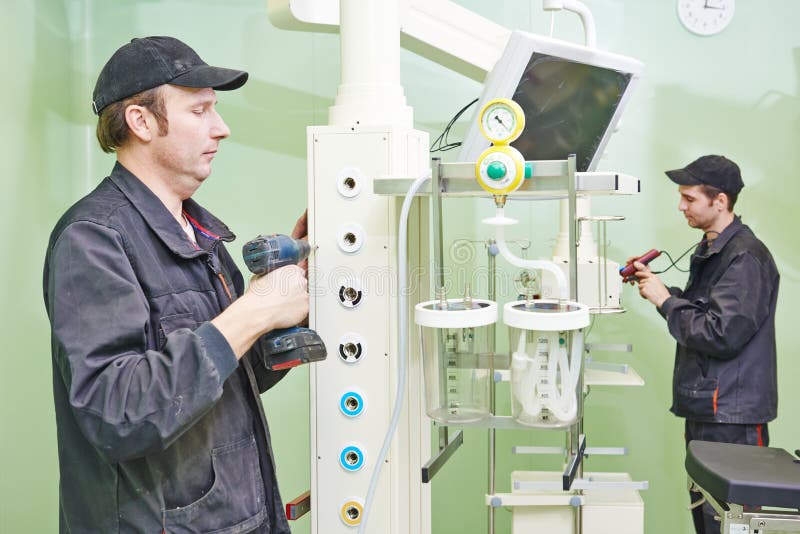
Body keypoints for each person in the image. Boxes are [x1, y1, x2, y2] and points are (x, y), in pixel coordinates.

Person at [42, 36, 308, 533]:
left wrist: (295, 301)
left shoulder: (197, 231)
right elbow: (117, 413)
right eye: (200, 110)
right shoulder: (93, 240)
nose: (222, 128)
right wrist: (253, 311)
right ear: (141, 122)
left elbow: (228, 376)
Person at [629, 155, 779, 533]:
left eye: (689, 198)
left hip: (732, 418)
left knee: (731, 524)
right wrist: (663, 291)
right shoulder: (715, 251)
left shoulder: (744, 257)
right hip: (711, 410)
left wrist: (666, 300)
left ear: (720, 201)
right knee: (709, 519)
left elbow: (721, 333)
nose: (681, 206)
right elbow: (707, 312)